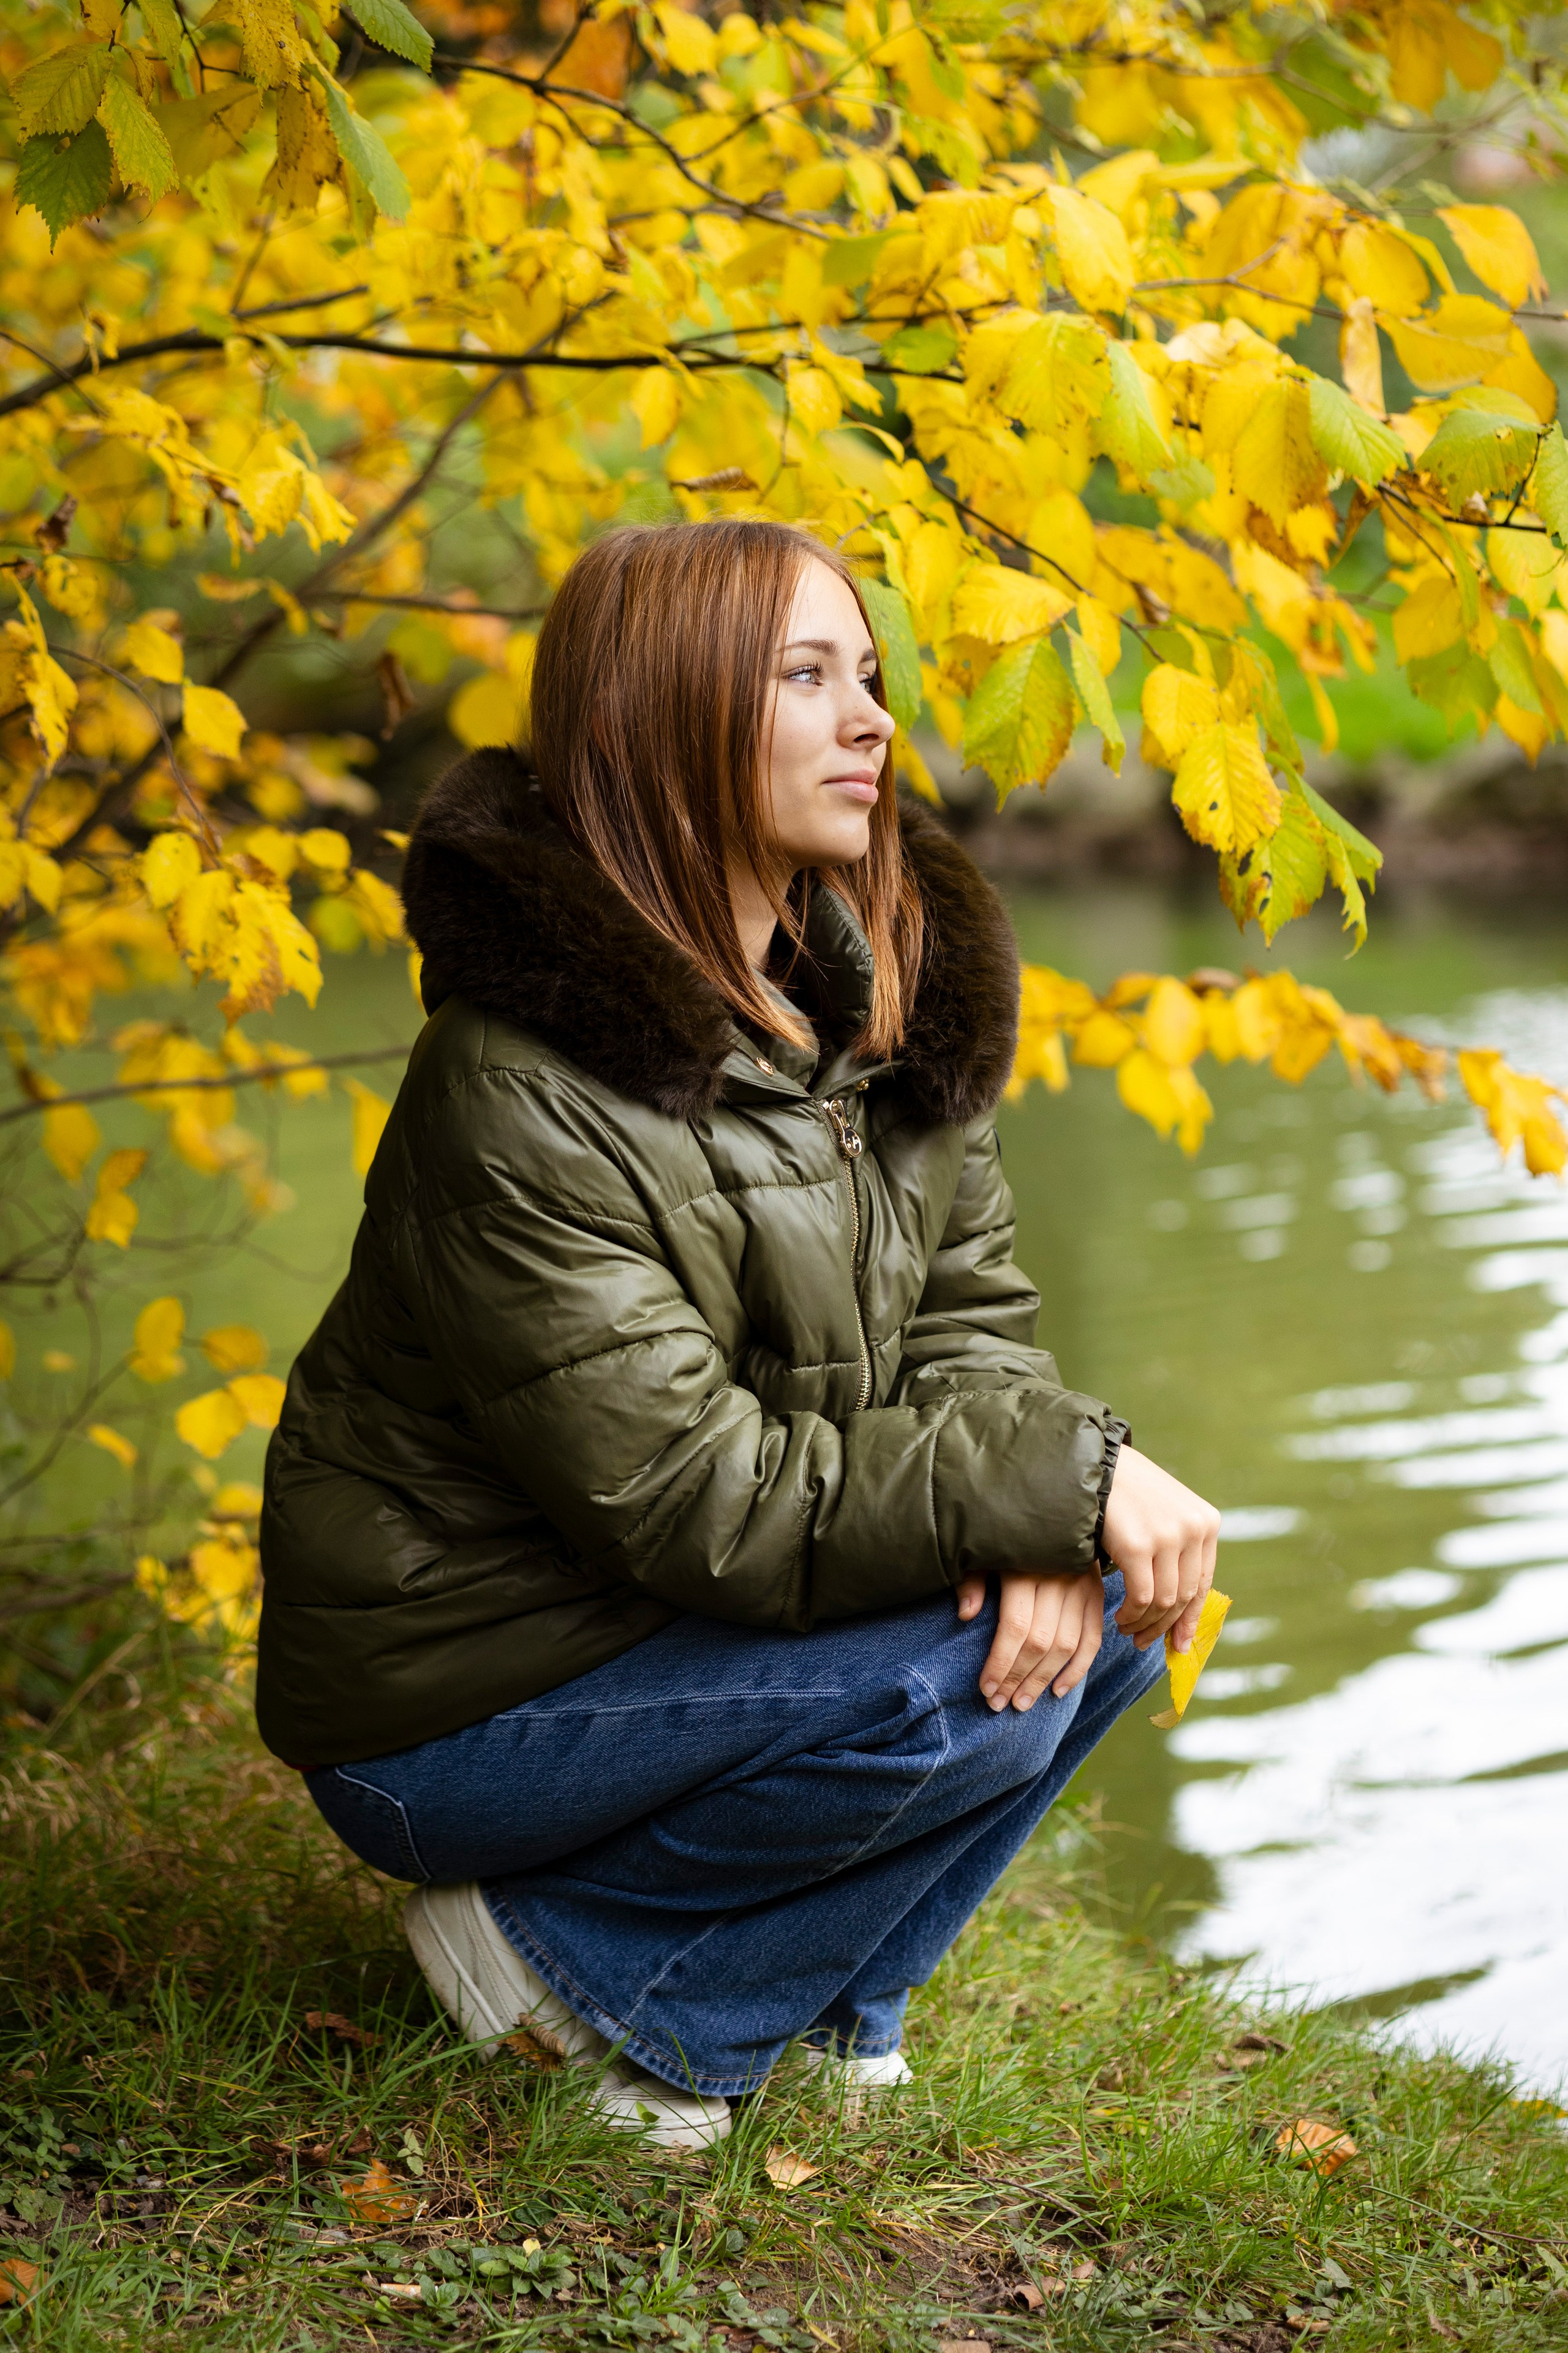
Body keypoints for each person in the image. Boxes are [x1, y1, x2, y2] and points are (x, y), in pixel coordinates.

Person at [257, 517, 1219, 2150]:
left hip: (658, 1623)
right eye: (805, 674)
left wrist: (1061, 1503)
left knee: (1115, 1607)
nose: (872, 721)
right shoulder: (520, 1078)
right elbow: (700, 1495)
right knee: (952, 1676)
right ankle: (582, 1972)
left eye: (869, 675)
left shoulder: (889, 1015)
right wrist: (1055, 1480)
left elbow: (974, 1330)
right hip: (456, 1706)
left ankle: (839, 2002)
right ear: (666, 716)